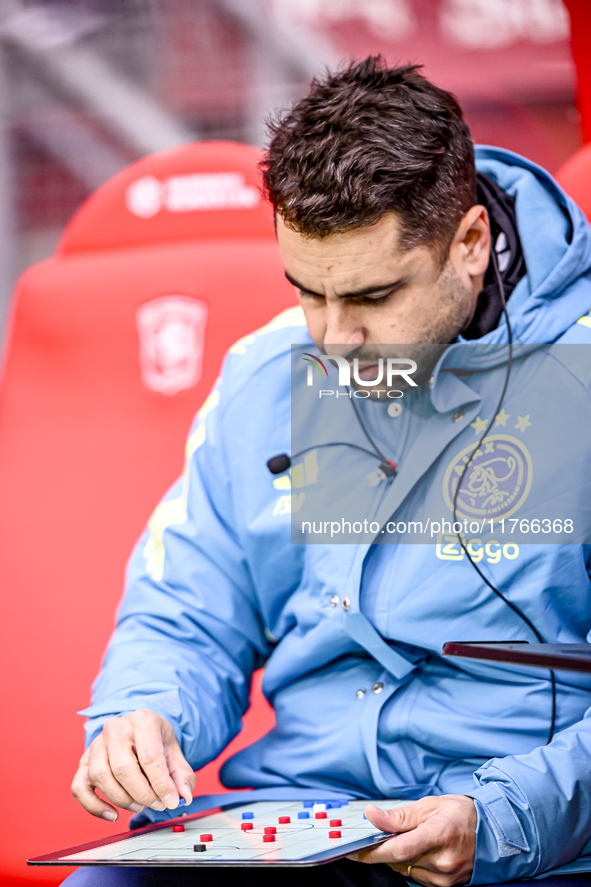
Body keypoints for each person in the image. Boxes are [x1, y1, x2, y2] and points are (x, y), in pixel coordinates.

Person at [65, 58, 591, 887]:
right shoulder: (270, 369)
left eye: (373, 297)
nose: (331, 337)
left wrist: (501, 816)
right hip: (300, 828)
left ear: (470, 246)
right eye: (305, 290)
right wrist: (145, 709)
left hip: (522, 850)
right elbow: (189, 611)